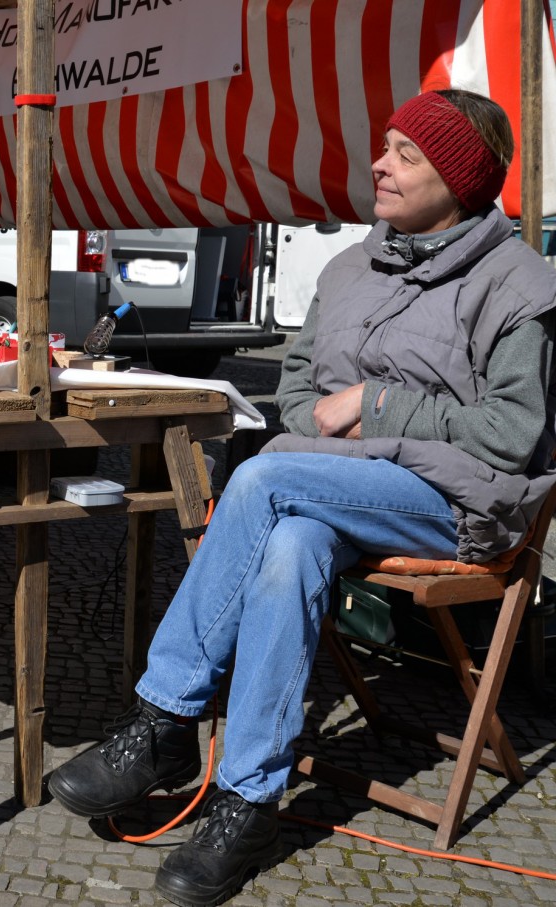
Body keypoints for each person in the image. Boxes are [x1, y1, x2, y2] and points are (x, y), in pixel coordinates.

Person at [48, 89, 556, 907]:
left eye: (405, 154)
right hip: (330, 487)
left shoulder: (517, 280)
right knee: (287, 545)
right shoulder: (351, 266)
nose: (379, 164)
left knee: (263, 477)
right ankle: (248, 801)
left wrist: (376, 406)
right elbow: (294, 388)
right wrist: (327, 431)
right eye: (385, 145)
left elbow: (510, 432)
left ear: (459, 179)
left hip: (454, 499)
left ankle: (165, 719)